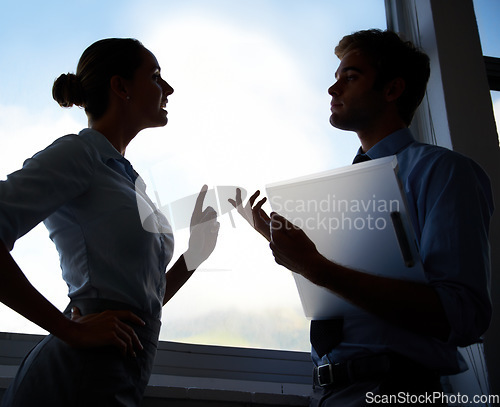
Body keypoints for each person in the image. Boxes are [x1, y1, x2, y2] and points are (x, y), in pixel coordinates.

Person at [230, 29, 493, 406]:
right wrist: (295, 254)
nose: (332, 90)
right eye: (337, 79)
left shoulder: (445, 172)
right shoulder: (344, 191)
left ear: (392, 90)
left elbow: (462, 316)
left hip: (397, 391)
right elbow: (344, 289)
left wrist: (316, 267)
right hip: (329, 393)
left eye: (350, 77)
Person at [0, 38, 220, 406]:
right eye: (155, 76)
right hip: (74, 378)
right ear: (121, 87)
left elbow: (143, 299)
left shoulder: (129, 180)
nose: (168, 89)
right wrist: (67, 329)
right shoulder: (79, 154)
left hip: (118, 372)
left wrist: (194, 254)